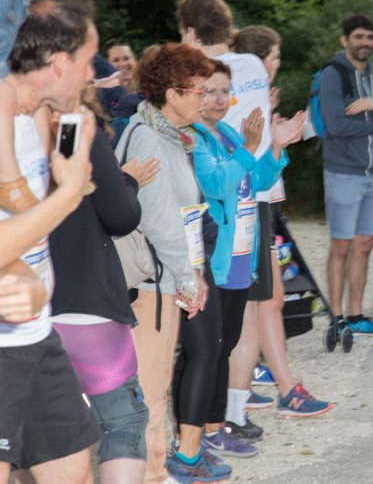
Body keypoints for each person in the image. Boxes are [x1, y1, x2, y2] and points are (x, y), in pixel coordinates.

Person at [1, 0, 102, 484]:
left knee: (73, 473)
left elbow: (32, 213)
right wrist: (68, 194)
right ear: (60, 62)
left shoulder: (38, 116)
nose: (90, 77)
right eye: (86, 64)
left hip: (35, 334)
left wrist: (71, 176)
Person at [113, 42, 224, 484]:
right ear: (173, 93)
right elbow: (160, 222)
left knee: (153, 389)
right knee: (151, 392)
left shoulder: (169, 135)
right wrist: (185, 278)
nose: (207, 98)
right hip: (152, 284)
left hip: (166, 279)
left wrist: (190, 272)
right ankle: (152, 475)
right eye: (199, 90)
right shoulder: (149, 138)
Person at [189, 60, 297, 460]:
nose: (219, 99)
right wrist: (252, 149)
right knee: (211, 350)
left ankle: (217, 428)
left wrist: (276, 147)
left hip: (240, 260)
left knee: (227, 344)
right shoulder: (197, 140)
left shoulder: (231, 134)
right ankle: (202, 431)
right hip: (215, 264)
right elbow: (216, 184)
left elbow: (259, 181)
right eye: (210, 91)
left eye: (224, 91)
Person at [49, 83, 155, 482]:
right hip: (83, 301)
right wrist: (127, 182)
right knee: (123, 420)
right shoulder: (70, 128)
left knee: (39, 436)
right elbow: (120, 216)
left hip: (22, 311)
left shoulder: (14, 129)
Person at [229, 24, 333, 417]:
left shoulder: (250, 97)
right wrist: (277, 135)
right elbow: (257, 164)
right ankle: (286, 390)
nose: (277, 64)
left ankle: (243, 380)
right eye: (274, 57)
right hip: (255, 206)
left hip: (262, 207)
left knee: (259, 302)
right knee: (266, 300)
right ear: (258, 60)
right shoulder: (246, 100)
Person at [320, 14, 373, 335]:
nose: (364, 43)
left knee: (365, 245)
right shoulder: (333, 75)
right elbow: (335, 125)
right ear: (345, 41)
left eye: (369, 37)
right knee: (340, 246)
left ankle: (356, 317)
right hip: (343, 173)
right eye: (358, 37)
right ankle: (337, 318)